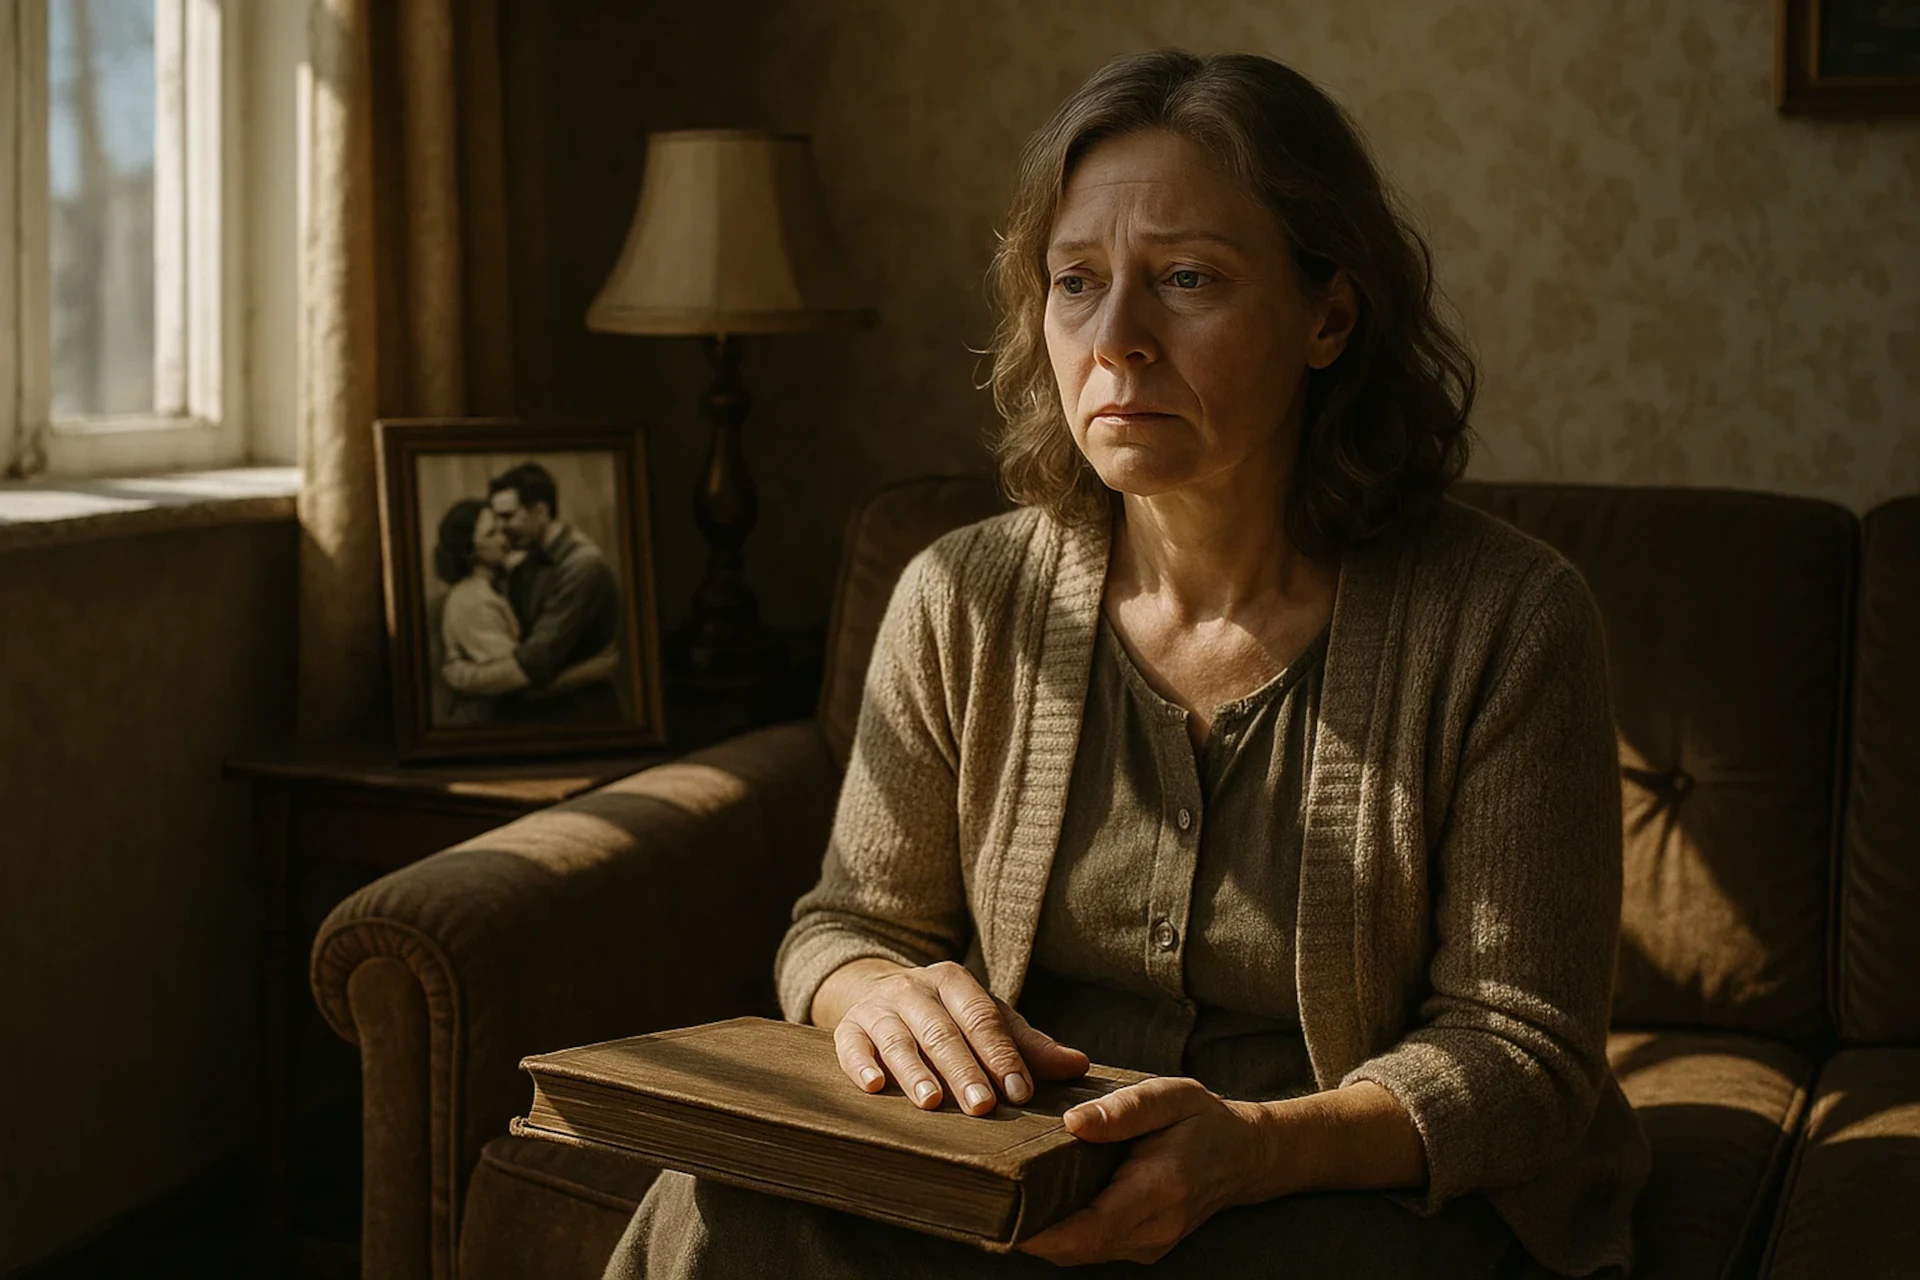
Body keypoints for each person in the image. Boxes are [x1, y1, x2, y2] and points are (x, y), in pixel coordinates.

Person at [604, 48, 1649, 1280]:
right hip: (1021, 1159)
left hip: (1338, 1174)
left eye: (1188, 278)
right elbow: (849, 923)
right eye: (1076, 282)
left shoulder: (1510, 618)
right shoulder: (961, 596)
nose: (1118, 340)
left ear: (1330, 313)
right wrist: (869, 990)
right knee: (717, 1207)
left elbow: (1519, 1053)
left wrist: (1251, 1150)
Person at [443, 462, 625, 723]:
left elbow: (534, 664)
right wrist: (590, 670)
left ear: (540, 511)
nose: (502, 528)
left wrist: (463, 675)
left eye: (507, 516)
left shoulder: (583, 569)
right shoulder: (521, 563)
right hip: (536, 714)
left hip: (580, 718)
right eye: (496, 521)